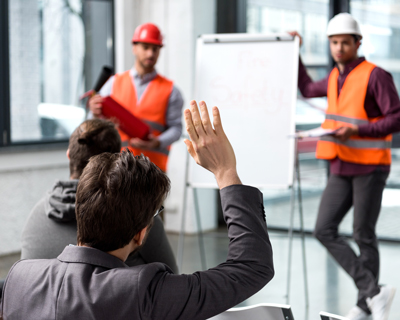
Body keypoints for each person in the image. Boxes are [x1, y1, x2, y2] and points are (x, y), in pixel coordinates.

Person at [0, 100, 274, 320]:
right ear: (140, 235)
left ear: (80, 210)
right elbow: (252, 266)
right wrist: (225, 172)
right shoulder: (145, 292)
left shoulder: (19, 279)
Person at [290, 12, 400, 320]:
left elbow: (396, 117)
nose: (339, 48)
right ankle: (374, 292)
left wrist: (359, 130)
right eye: (334, 42)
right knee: (323, 229)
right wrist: (295, 53)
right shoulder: (335, 77)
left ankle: (366, 303)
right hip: (341, 165)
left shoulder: (375, 75)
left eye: (345, 42)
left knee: (363, 233)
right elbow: (308, 89)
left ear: (358, 43)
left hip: (370, 166)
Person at [20, 118, 178, 273]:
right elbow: (171, 277)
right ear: (117, 162)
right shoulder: (137, 215)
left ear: (69, 155)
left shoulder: (37, 214)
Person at [88, 22, 183, 172]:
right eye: (146, 47)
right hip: (117, 169)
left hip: (152, 172)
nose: (151, 54)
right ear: (134, 48)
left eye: (155, 49)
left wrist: (157, 142)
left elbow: (177, 129)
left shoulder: (171, 90)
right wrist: (94, 112)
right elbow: (92, 124)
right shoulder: (113, 83)